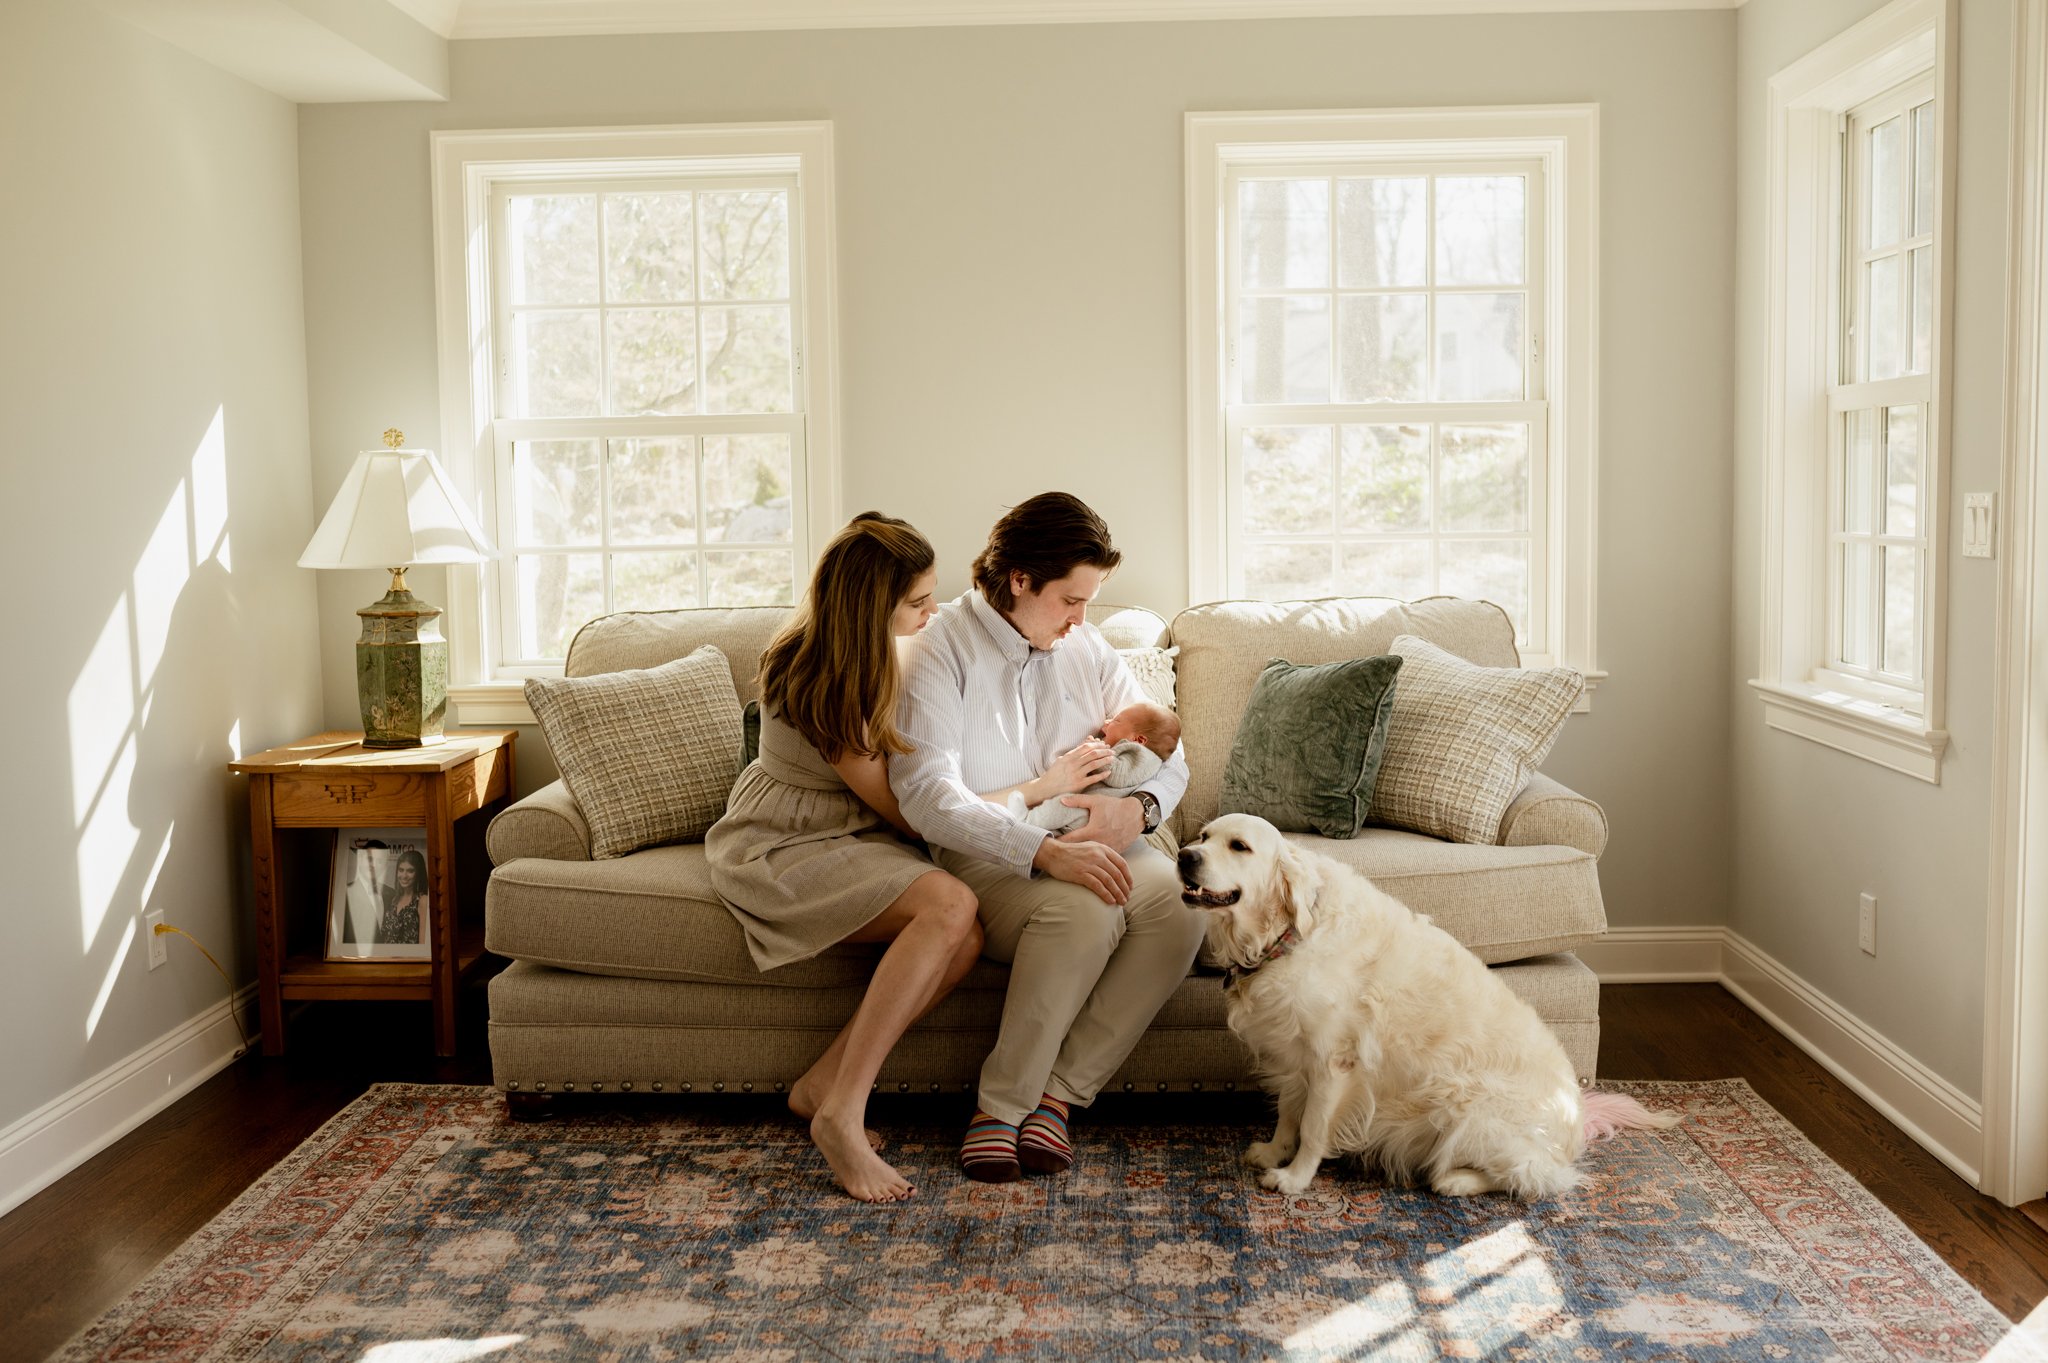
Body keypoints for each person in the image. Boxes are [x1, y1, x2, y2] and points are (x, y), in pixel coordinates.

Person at [892, 492, 1205, 1182]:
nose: (1080, 618)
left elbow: (1172, 758)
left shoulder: (1085, 646)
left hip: (1096, 830)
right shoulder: (940, 649)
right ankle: (1000, 1110)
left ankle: (1058, 1099)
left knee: (1179, 904)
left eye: (1089, 601)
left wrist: (1141, 812)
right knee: (1084, 912)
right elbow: (928, 797)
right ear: (1020, 580)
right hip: (991, 850)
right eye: (1070, 599)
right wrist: (1040, 850)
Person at [706, 512, 983, 1203]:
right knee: (953, 903)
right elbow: (901, 808)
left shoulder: (881, 649)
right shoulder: (818, 669)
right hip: (784, 842)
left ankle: (821, 1085)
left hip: (846, 832)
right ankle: (843, 1116)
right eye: (919, 599)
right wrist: (998, 818)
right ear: (872, 604)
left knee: (967, 938)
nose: (932, 610)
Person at [1007, 701, 1181, 832]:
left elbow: (1118, 775)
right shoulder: (1139, 753)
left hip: (1091, 814)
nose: (1106, 723)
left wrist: (1096, 752)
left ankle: (1026, 822)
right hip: (1089, 814)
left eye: (1117, 721)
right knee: (1061, 807)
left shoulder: (1142, 756)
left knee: (1062, 806)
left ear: (1139, 739)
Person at [378, 848, 428, 945]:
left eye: (410, 871)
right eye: (401, 870)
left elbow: (423, 945)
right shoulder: (393, 899)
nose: (404, 875)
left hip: (410, 958)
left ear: (418, 873)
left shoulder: (422, 900)